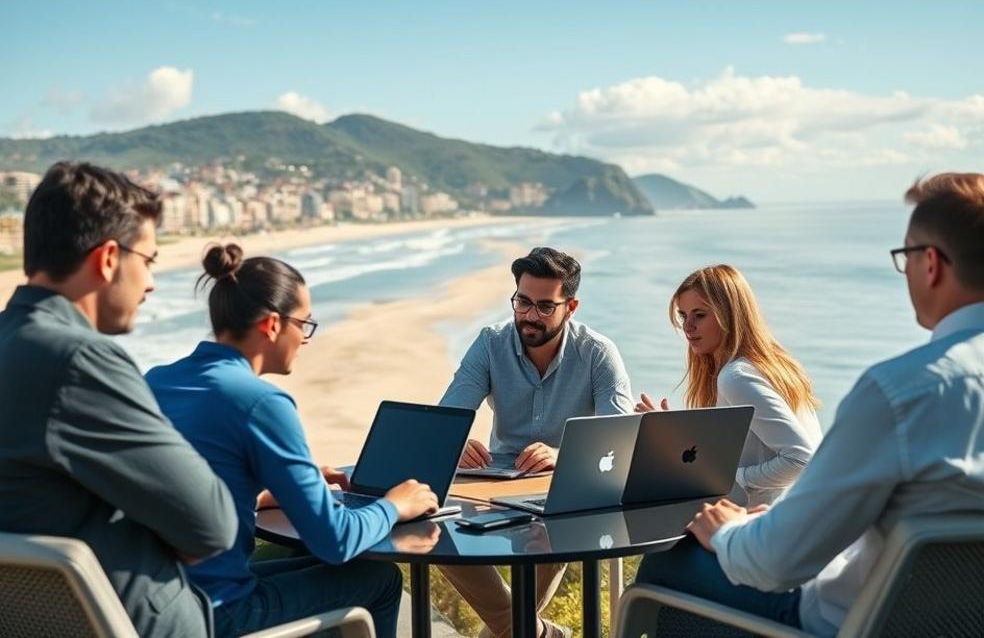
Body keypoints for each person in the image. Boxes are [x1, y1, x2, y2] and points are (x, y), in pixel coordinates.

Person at [634, 173, 984, 636]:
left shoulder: (898, 394)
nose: (689, 327)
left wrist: (726, 529)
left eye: (906, 257)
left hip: (853, 619)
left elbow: (778, 564)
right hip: (952, 623)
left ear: (931, 264)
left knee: (664, 564)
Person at [146, 243, 439, 638]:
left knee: (324, 568)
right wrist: (395, 505)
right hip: (219, 614)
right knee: (379, 579)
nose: (305, 339)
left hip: (164, 598)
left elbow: (186, 484)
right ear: (272, 325)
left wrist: (264, 494)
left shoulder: (157, 380)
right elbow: (336, 540)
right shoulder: (261, 402)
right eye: (304, 324)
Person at [0, 162, 238, 636]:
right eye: (148, 261)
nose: (150, 283)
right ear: (108, 258)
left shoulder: (13, 344)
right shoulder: (79, 361)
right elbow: (211, 526)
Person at [439, 246, 634, 638]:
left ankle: (523, 631)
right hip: (492, 483)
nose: (530, 315)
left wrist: (564, 456)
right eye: (522, 302)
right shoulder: (490, 343)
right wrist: (454, 441)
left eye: (545, 306)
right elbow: (445, 422)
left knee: (551, 536)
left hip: (559, 492)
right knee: (436, 536)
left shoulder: (598, 353)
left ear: (571, 307)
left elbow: (622, 441)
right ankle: (539, 633)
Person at [636, 265, 823, 505]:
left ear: (729, 315)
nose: (687, 326)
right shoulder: (774, 365)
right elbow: (746, 449)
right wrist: (677, 437)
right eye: (683, 316)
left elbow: (801, 460)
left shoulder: (736, 377)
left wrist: (728, 479)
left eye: (699, 315)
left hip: (757, 520)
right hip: (789, 514)